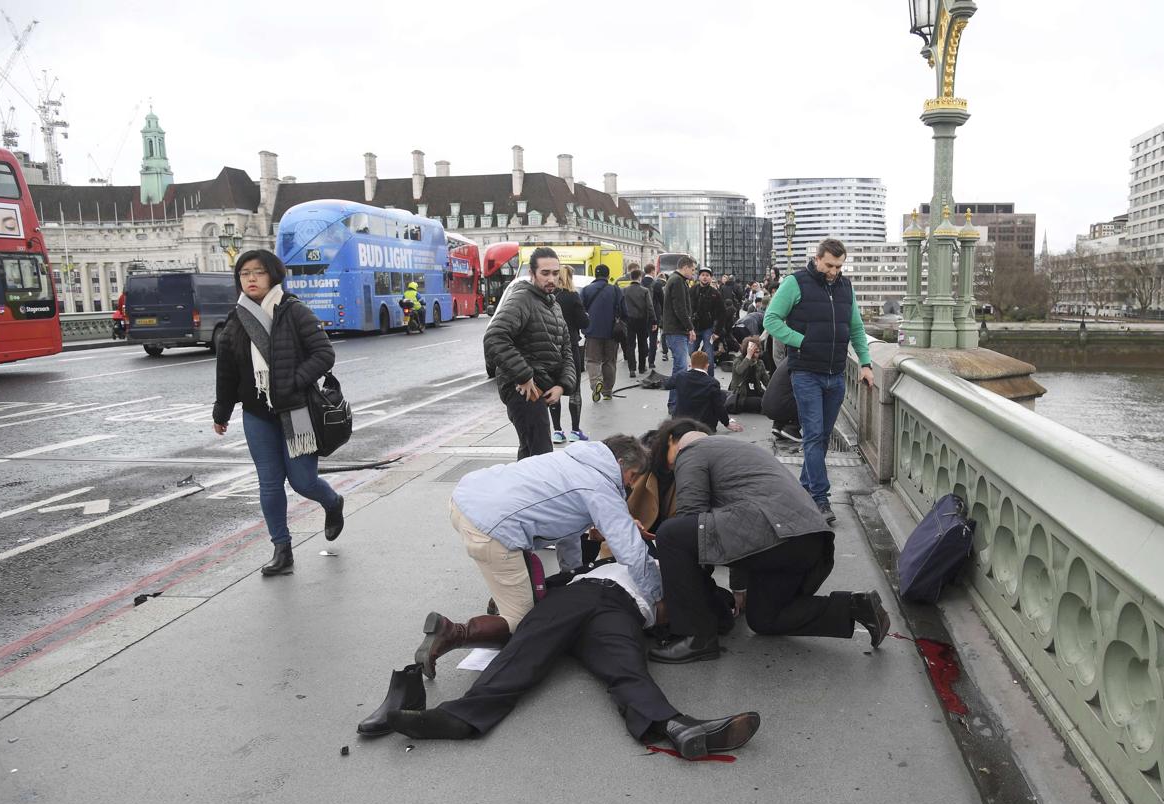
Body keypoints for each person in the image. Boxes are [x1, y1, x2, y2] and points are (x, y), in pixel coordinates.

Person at [365, 562, 761, 761]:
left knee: (625, 667)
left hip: (622, 612)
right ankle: (460, 717)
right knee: (527, 648)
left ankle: (673, 724)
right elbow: (538, 588)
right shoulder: (610, 558)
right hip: (580, 595)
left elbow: (718, 609)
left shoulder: (687, 576)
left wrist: (727, 604)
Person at [417, 434, 661, 678]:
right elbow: (631, 550)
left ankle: (501, 597)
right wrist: (656, 595)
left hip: (466, 500)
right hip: (493, 527)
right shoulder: (601, 485)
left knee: (518, 572)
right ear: (619, 463)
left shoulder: (576, 458)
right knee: (525, 623)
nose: (630, 485)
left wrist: (572, 575)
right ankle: (452, 633)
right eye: (632, 476)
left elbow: (566, 528)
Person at [648, 430, 889, 664]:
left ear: (674, 441)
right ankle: (855, 607)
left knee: (671, 534)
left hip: (777, 534)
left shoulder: (691, 451)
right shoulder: (741, 452)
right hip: (807, 541)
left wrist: (694, 596)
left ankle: (697, 638)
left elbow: (692, 520)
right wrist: (739, 587)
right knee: (764, 618)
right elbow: (735, 526)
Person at [212, 249, 345, 577]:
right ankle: (282, 550)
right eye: (244, 274)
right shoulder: (236, 319)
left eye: (257, 272)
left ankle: (333, 503)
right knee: (269, 484)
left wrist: (294, 382)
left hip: (296, 410)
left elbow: (324, 354)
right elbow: (226, 370)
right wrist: (222, 411)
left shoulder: (294, 311)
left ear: (273, 275)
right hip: (257, 414)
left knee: (303, 482)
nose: (251, 278)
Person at [764, 238, 873, 524]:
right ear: (817, 259)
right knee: (813, 435)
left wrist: (865, 363)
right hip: (806, 373)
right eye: (829, 265)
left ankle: (803, 489)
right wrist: (802, 341)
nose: (834, 271)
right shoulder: (795, 283)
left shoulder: (845, 287)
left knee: (822, 436)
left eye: (839, 266)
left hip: (836, 374)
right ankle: (820, 498)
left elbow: (857, 329)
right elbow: (771, 320)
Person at [483, 248, 576, 460]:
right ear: (532, 274)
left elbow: (566, 349)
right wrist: (523, 376)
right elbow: (494, 337)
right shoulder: (522, 299)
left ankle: (522, 492)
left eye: (555, 273)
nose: (551, 278)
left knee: (530, 454)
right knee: (541, 456)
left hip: (543, 388)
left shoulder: (554, 304)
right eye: (545, 273)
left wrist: (562, 385)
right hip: (523, 391)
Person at [549, 266, 590, 443]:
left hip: (551, 348)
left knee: (553, 388)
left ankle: (557, 431)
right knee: (575, 389)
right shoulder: (573, 297)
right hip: (570, 347)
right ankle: (575, 430)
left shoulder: (548, 298)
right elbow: (584, 322)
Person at [667, 350, 742, 433]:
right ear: (707, 365)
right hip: (703, 426)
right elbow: (718, 406)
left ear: (691, 364)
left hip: (681, 422)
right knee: (721, 395)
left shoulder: (680, 376)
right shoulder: (712, 383)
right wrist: (726, 423)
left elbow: (668, 384)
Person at [580, 263, 625, 400]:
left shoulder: (586, 290)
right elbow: (624, 311)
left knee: (593, 360)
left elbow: (581, 310)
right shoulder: (616, 290)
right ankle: (607, 391)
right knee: (609, 361)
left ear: (595, 275)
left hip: (592, 332)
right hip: (611, 333)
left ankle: (596, 383)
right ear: (608, 275)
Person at [661, 257, 696, 412]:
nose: (693, 273)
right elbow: (680, 308)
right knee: (681, 368)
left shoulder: (675, 280)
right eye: (693, 269)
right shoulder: (677, 281)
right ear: (685, 267)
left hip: (674, 329)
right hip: (676, 330)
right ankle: (675, 405)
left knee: (679, 367)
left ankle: (674, 403)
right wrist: (690, 328)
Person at [690, 268, 727, 376]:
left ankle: (710, 379)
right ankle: (696, 374)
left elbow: (722, 313)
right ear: (699, 277)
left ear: (711, 278)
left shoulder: (715, 294)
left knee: (709, 356)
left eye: (707, 275)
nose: (705, 277)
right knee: (691, 351)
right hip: (694, 328)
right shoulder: (692, 290)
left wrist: (717, 332)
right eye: (702, 275)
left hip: (708, 329)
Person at [622, 265, 654, 376]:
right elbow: (650, 307)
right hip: (642, 320)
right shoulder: (645, 290)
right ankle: (641, 367)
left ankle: (632, 369)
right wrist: (653, 320)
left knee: (630, 344)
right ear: (640, 278)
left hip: (629, 320)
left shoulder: (625, 290)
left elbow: (621, 306)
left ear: (631, 278)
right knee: (642, 343)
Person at [762, 356, 801, 442]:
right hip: (779, 406)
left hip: (767, 404)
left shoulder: (790, 358)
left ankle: (778, 426)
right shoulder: (803, 361)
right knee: (811, 398)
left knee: (786, 393)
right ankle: (792, 428)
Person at [727, 336, 768, 414]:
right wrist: (748, 356)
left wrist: (773, 392)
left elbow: (766, 381)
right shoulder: (738, 360)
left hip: (755, 391)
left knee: (770, 399)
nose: (757, 355)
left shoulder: (760, 363)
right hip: (741, 395)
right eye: (755, 352)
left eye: (758, 352)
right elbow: (739, 370)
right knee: (763, 403)